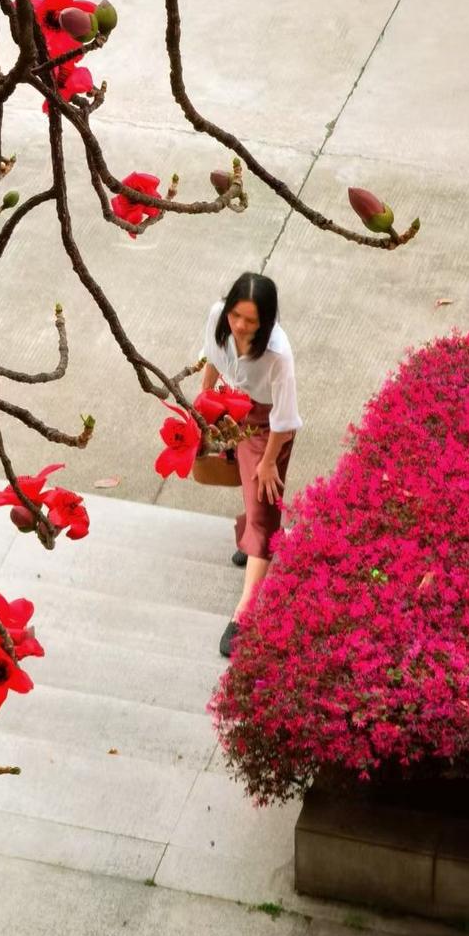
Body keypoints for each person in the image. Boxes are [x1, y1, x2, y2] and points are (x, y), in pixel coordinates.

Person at [197, 272, 302, 659]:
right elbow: (212, 359)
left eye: (251, 321)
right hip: (232, 405)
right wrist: (204, 407)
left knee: (262, 503)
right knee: (245, 487)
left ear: (267, 321)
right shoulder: (217, 316)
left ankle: (244, 613)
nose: (240, 326)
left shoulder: (278, 355)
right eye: (236, 315)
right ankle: (258, 537)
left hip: (268, 426)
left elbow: (286, 420)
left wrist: (270, 461)